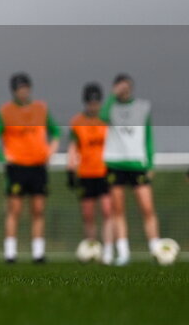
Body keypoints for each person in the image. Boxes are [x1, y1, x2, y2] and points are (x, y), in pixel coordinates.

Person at [0, 73, 60, 263]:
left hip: (38, 166)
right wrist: (2, 156)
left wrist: (50, 150)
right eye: (19, 88)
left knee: (38, 209)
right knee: (14, 210)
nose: (23, 91)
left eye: (25, 87)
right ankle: (10, 253)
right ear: (14, 91)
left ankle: (38, 253)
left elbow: (57, 131)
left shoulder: (41, 109)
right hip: (17, 167)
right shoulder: (5, 111)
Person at [102, 73, 160, 265]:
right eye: (119, 86)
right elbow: (101, 117)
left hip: (137, 164)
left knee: (147, 207)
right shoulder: (110, 107)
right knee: (117, 210)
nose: (123, 89)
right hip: (115, 164)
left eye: (126, 86)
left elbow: (149, 136)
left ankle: (156, 249)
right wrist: (112, 95)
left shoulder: (143, 107)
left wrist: (150, 162)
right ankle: (123, 252)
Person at [66, 82, 114, 263]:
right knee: (88, 214)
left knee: (108, 210)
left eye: (96, 102)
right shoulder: (77, 122)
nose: (93, 106)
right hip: (85, 173)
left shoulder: (106, 121)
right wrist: (70, 170)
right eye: (90, 102)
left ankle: (108, 251)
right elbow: (73, 148)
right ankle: (92, 248)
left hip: (105, 172)